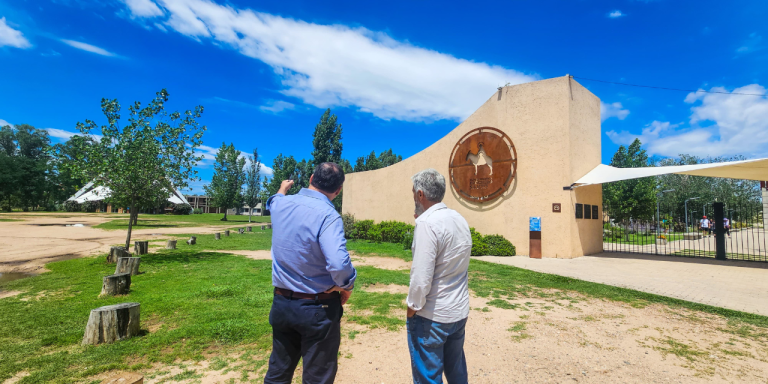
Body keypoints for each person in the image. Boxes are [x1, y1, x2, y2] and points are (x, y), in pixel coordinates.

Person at [264, 162, 357, 384]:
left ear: (311, 179)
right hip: (318, 308)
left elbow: (274, 201)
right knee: (318, 376)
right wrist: (347, 285)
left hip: (282, 303)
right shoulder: (328, 215)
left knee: (278, 372)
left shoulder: (281, 205)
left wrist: (282, 189)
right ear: (338, 190)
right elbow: (338, 263)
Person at [406, 168, 472, 384]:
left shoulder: (427, 224)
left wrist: (412, 306)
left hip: (431, 316)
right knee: (457, 373)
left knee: (428, 377)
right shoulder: (459, 218)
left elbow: (421, 277)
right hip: (458, 311)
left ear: (421, 194)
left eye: (414, 192)